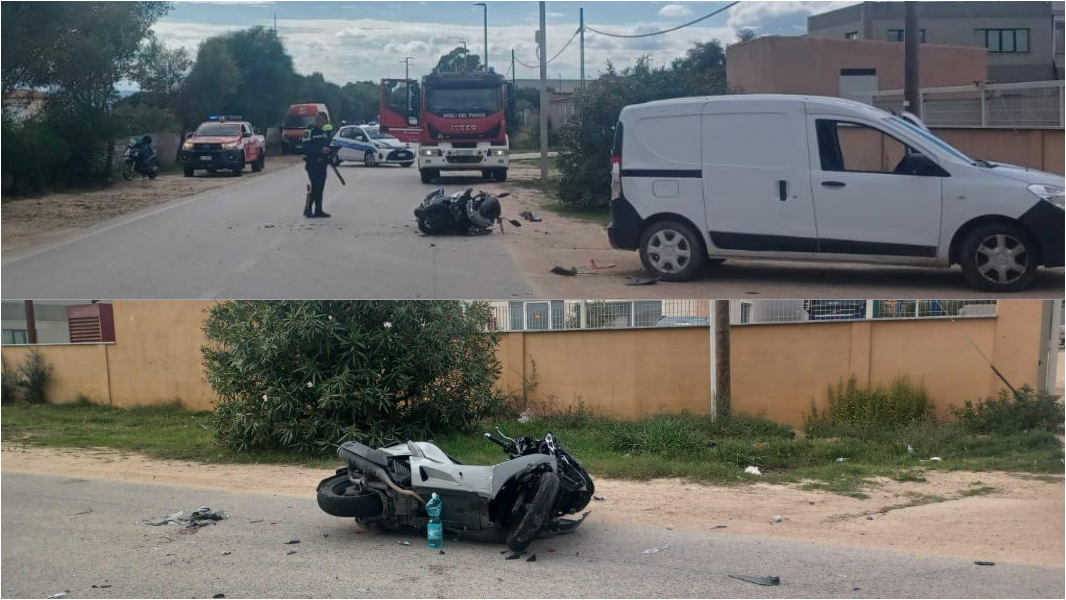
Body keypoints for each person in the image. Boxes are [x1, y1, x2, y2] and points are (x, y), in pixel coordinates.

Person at [301, 112, 336, 218]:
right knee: (315, 187)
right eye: (320, 120)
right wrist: (320, 150)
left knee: (320, 187)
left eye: (324, 121)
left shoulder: (324, 133)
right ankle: (307, 209)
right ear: (316, 119)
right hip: (312, 164)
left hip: (322, 164)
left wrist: (332, 151)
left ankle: (318, 210)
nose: (321, 123)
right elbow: (306, 148)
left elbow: (327, 145)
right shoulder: (308, 131)